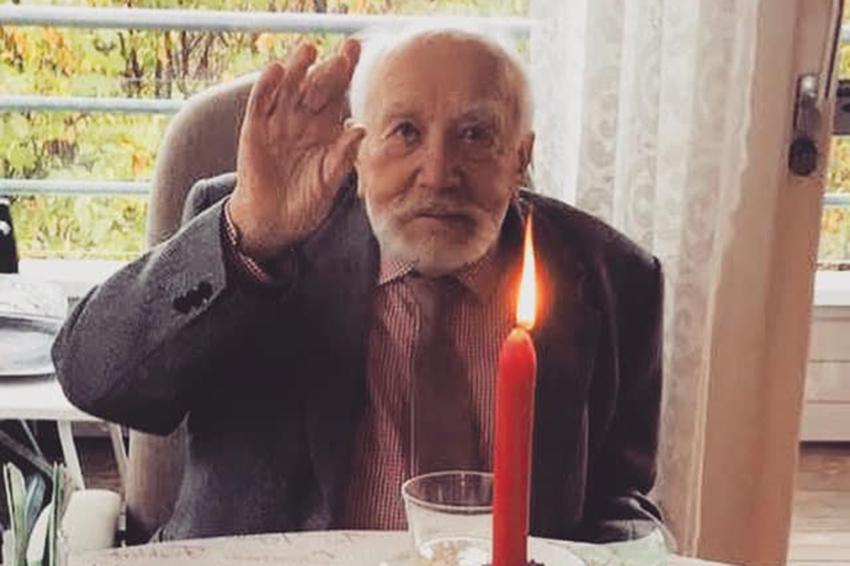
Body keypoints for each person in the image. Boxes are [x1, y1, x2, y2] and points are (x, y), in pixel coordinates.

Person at [52, 24, 665, 543]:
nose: (437, 174)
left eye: (475, 135)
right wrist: (250, 238)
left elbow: (619, 503)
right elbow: (92, 378)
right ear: (358, 146)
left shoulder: (614, 280)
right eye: (406, 132)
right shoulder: (261, 233)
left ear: (520, 156)